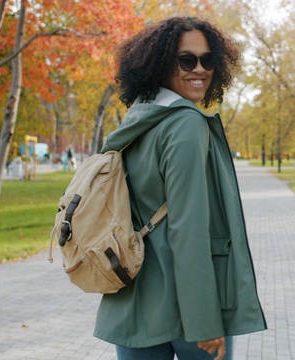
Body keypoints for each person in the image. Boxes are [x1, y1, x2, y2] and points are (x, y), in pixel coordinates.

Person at [93, 16, 266, 360]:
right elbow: (188, 231)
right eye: (187, 60)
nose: (199, 69)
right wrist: (205, 322)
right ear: (160, 64)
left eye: (207, 60)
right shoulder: (185, 123)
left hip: (132, 303)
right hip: (187, 312)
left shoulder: (139, 118)